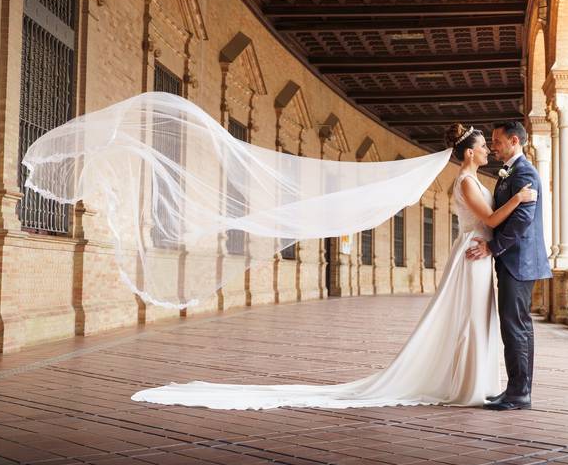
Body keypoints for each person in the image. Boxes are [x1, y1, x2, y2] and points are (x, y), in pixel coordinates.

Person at [131, 123, 536, 409]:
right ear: (470, 152)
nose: (489, 149)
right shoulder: (467, 180)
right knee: (467, 320)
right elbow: (493, 219)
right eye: (485, 146)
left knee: (474, 321)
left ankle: (477, 383)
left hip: (478, 252)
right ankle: (468, 384)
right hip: (474, 253)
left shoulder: (471, 177)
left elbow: (490, 220)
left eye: (492, 144)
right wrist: (519, 199)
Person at [466, 121, 553, 411]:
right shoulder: (511, 173)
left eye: (497, 141)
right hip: (513, 261)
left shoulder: (525, 172)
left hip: (520, 261)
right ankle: (516, 389)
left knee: (515, 327)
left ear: (514, 140)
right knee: (516, 327)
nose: (493, 146)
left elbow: (522, 220)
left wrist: (493, 247)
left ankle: (519, 393)